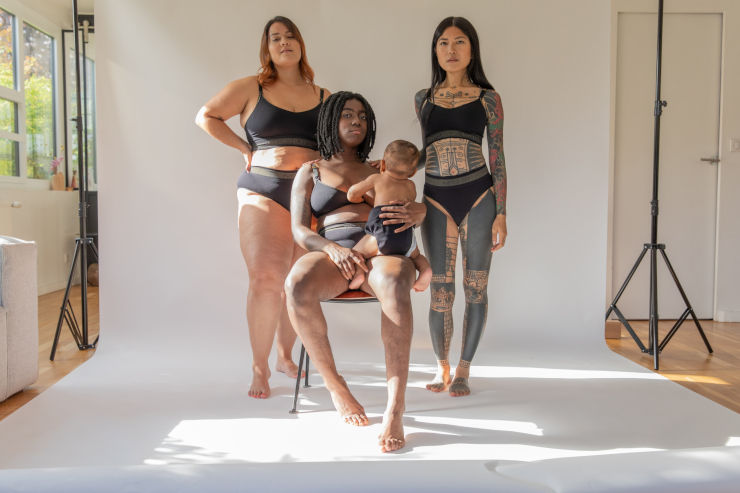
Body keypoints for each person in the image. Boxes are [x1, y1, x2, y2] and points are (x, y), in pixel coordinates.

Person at [284, 92, 426, 453]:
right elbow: (299, 229)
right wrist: (331, 248)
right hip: (332, 251)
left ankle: (395, 409)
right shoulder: (311, 170)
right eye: (347, 115)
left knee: (394, 281)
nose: (356, 122)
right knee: (296, 284)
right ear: (331, 121)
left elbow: (408, 208)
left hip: (381, 248)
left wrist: (419, 212)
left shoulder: (381, 169)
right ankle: (336, 386)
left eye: (362, 116)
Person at [195, 16, 329, 399]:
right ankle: (259, 367)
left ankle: (285, 357)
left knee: (296, 281)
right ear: (266, 49)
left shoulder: (324, 96)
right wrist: (243, 147)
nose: (284, 42)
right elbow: (205, 116)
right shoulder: (250, 87)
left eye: (290, 36)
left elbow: (339, 143)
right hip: (263, 188)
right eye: (275, 38)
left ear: (301, 44)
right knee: (265, 279)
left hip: (308, 193)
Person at [414, 17, 508, 397]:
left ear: (472, 49)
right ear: (435, 50)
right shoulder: (423, 99)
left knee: (475, 289)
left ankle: (464, 370)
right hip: (436, 198)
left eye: (459, 42)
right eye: (443, 43)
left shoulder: (489, 99)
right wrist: (395, 165)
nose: (450, 50)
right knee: (441, 291)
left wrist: (502, 213)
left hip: (479, 197)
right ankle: (442, 368)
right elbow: (428, 150)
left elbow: (497, 155)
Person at [345, 140, 432, 292]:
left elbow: (351, 194)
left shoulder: (376, 178)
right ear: (412, 173)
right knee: (417, 256)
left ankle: (359, 274)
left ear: (383, 164)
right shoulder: (411, 185)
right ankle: (426, 270)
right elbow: (410, 201)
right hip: (406, 237)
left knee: (356, 254)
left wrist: (359, 198)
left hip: (382, 233)